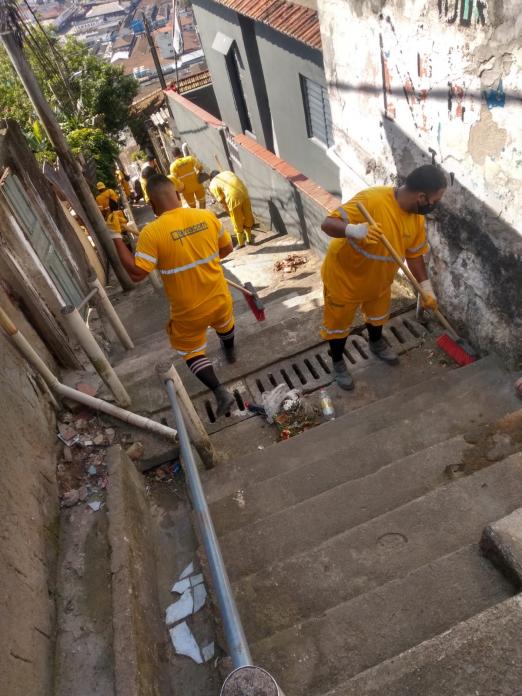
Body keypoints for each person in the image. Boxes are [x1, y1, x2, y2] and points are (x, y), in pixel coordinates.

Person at [111, 173, 237, 417]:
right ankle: (230, 352)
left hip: (189, 310)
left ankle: (220, 390)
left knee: (191, 351)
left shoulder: (152, 233)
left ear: (151, 205)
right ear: (177, 195)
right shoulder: (206, 217)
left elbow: (137, 274)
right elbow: (227, 248)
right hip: (219, 296)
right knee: (225, 323)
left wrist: (115, 236)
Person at [320, 164, 446, 390]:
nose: (435, 205)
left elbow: (414, 255)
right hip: (345, 278)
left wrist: (426, 288)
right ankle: (338, 361)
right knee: (338, 325)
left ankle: (376, 343)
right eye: (435, 200)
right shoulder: (372, 200)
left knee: (378, 316)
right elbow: (328, 224)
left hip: (379, 280)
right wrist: (353, 231)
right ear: (421, 196)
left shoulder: (415, 219)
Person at [209, 169, 255, 248]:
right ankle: (249, 239)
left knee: (236, 219)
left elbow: (221, 200)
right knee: (248, 215)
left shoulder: (212, 184)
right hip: (244, 192)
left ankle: (241, 244)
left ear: (211, 178)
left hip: (233, 196)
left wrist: (228, 210)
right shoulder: (227, 172)